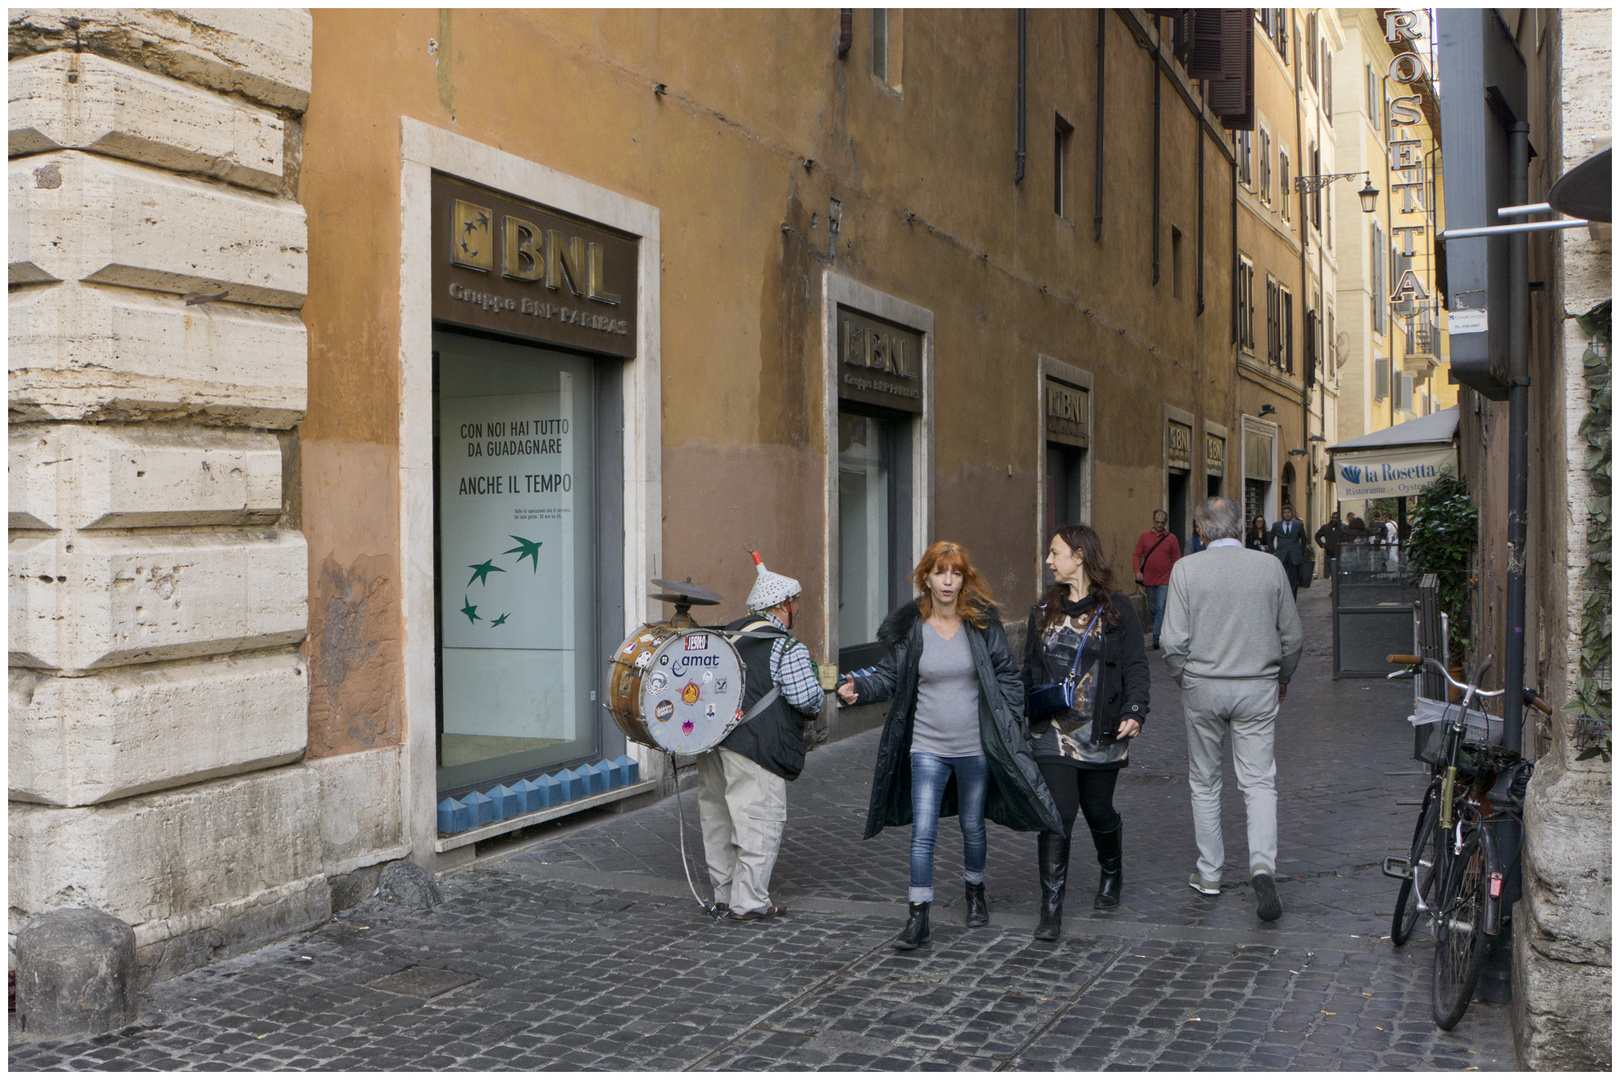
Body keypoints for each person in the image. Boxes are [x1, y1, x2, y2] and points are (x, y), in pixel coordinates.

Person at [838, 541, 1062, 951]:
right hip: (926, 745)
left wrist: (1010, 724)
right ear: (925, 577)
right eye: (939, 572)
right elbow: (888, 677)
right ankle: (918, 915)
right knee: (923, 831)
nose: (947, 581)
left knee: (972, 826)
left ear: (964, 579)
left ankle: (975, 892)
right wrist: (859, 689)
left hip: (974, 747)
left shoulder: (981, 624)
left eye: (955, 573)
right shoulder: (913, 629)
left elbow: (1008, 677)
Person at [1161, 497, 1302, 923]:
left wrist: (1184, 678)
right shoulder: (1270, 567)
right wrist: (1282, 679)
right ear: (1240, 528)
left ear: (1201, 532)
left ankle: (1209, 873)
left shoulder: (1186, 569)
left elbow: (1171, 643)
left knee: (1205, 780)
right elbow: (1292, 638)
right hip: (1257, 686)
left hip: (1203, 685)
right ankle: (1262, 865)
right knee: (1259, 782)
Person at [1022, 524, 1150, 940]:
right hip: (1053, 732)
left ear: (1079, 556)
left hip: (1101, 733)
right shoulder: (1043, 611)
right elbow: (1028, 671)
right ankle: (1051, 908)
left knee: (1099, 811)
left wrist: (1135, 709)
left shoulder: (1117, 609)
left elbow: (1135, 665)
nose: (1048, 560)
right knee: (1058, 815)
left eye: (1054, 552)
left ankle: (1111, 870)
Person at [697, 551, 825, 922]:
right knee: (759, 820)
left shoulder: (727, 635)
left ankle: (724, 895)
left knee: (718, 818)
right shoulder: (787, 646)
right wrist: (821, 691)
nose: (798, 608)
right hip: (756, 746)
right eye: (796, 602)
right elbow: (805, 698)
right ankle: (749, 901)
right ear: (784, 604)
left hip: (712, 741)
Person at [1131, 510, 1181, 650]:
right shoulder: (1144, 537)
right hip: (1149, 580)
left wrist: (1175, 577)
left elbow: (1177, 559)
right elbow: (1137, 555)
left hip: (1165, 580)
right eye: (1157, 522)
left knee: (1160, 608)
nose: (1159, 525)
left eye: (1162, 522)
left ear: (1165, 522)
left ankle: (1156, 636)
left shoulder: (1171, 539)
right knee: (1154, 610)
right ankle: (1160, 630)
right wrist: (1137, 571)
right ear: (1153, 521)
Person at [1268, 505, 1306, 597]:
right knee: (1281, 578)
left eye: (1289, 512)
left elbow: (1304, 539)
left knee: (1293, 580)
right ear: (1282, 514)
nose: (1287, 514)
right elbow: (1270, 538)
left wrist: (1300, 552)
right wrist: (1273, 551)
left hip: (1294, 555)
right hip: (1281, 555)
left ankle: (1293, 600)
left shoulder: (1298, 525)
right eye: (1285, 512)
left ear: (1292, 514)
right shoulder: (1276, 525)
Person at [1314, 511, 1344, 585]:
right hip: (1329, 553)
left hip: (1340, 553)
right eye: (1333, 518)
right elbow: (1317, 536)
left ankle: (1338, 588)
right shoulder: (1326, 527)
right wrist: (1322, 544)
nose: (1334, 520)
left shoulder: (1343, 527)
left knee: (1339, 572)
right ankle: (1334, 589)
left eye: (1336, 518)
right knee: (1332, 571)